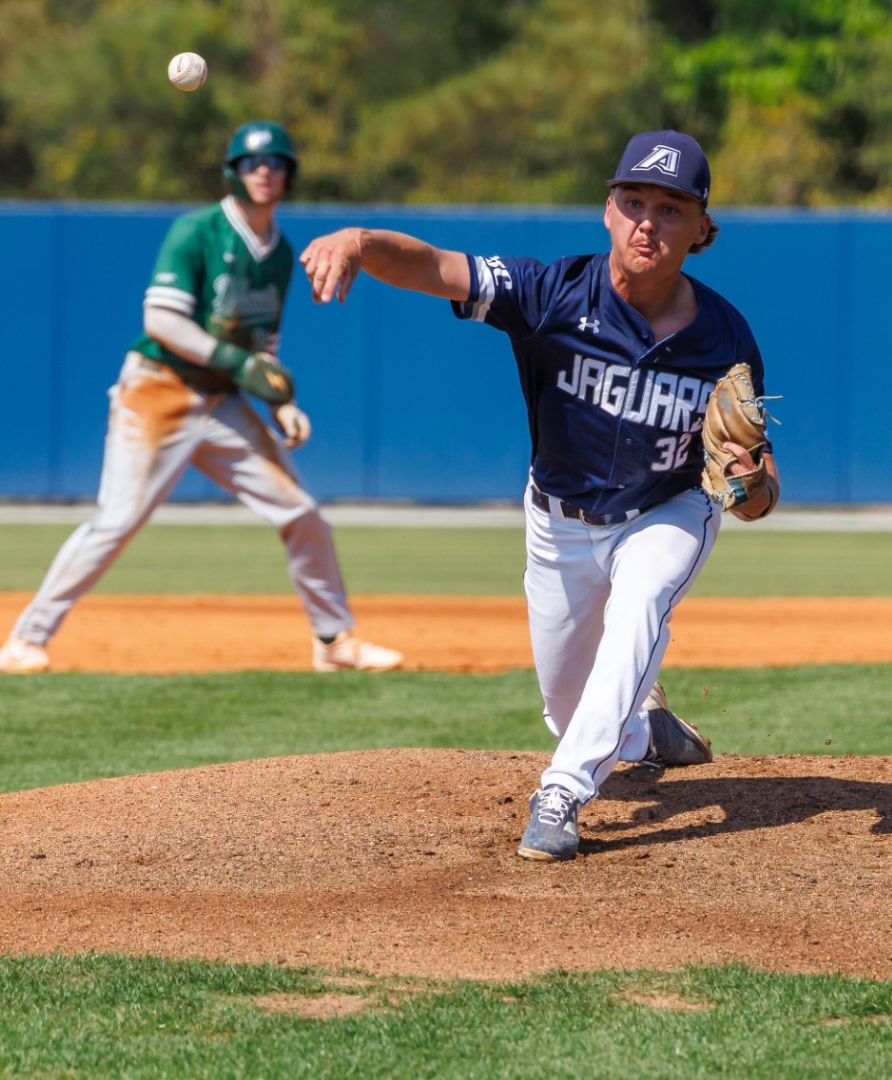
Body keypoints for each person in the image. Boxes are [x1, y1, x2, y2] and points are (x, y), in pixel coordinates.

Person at [299, 131, 779, 860]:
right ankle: (648, 733)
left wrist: (750, 486)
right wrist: (362, 241)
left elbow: (758, 488)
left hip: (667, 510)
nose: (647, 220)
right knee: (565, 703)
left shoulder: (725, 336)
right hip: (557, 522)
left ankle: (559, 795)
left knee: (642, 604)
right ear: (608, 212)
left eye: (670, 208)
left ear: (702, 229)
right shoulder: (551, 291)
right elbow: (437, 267)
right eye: (633, 201)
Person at [0, 121, 402, 675]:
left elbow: (261, 346)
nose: (265, 171)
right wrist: (243, 367)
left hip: (221, 401)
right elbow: (160, 319)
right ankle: (25, 639)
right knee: (117, 519)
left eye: (276, 162)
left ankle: (333, 642)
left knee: (303, 513)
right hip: (158, 389)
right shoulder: (199, 230)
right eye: (253, 163)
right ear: (234, 172)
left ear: (289, 175)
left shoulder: (280, 254)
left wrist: (278, 400)